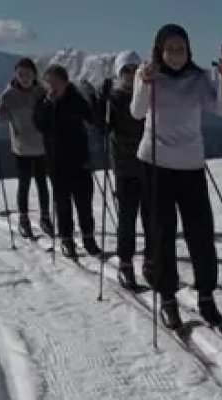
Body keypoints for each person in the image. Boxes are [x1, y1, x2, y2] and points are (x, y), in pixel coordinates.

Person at [131, 23, 222, 330]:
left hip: (190, 164)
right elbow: (137, 112)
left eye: (182, 48)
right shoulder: (148, 74)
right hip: (156, 163)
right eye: (171, 48)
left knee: (200, 234)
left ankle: (206, 295)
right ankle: (168, 297)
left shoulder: (199, 78)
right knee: (161, 233)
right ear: (159, 50)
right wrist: (144, 83)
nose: (176, 54)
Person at [94, 50, 153, 290]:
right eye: (125, 70)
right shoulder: (115, 99)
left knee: (151, 218)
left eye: (133, 69)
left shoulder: (149, 95)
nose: (129, 75)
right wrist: (100, 102)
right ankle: (126, 264)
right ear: (120, 74)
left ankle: (150, 260)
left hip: (149, 165)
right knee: (127, 219)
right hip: (126, 167)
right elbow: (103, 128)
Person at [33, 65, 101, 259]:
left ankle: (88, 238)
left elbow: (93, 119)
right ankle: (67, 239)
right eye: (49, 82)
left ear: (65, 82)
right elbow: (38, 123)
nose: (52, 86)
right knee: (62, 204)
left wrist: (95, 100)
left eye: (56, 82)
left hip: (80, 160)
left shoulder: (76, 99)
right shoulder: (43, 102)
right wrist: (48, 103)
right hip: (56, 162)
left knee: (84, 202)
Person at [0, 57, 50, 239]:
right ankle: (24, 219)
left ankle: (44, 217)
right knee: (25, 184)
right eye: (21, 74)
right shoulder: (8, 95)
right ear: (16, 75)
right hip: (22, 148)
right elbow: (0, 119)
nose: (24, 77)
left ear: (34, 75)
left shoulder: (42, 92)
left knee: (42, 184)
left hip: (41, 146)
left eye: (28, 74)